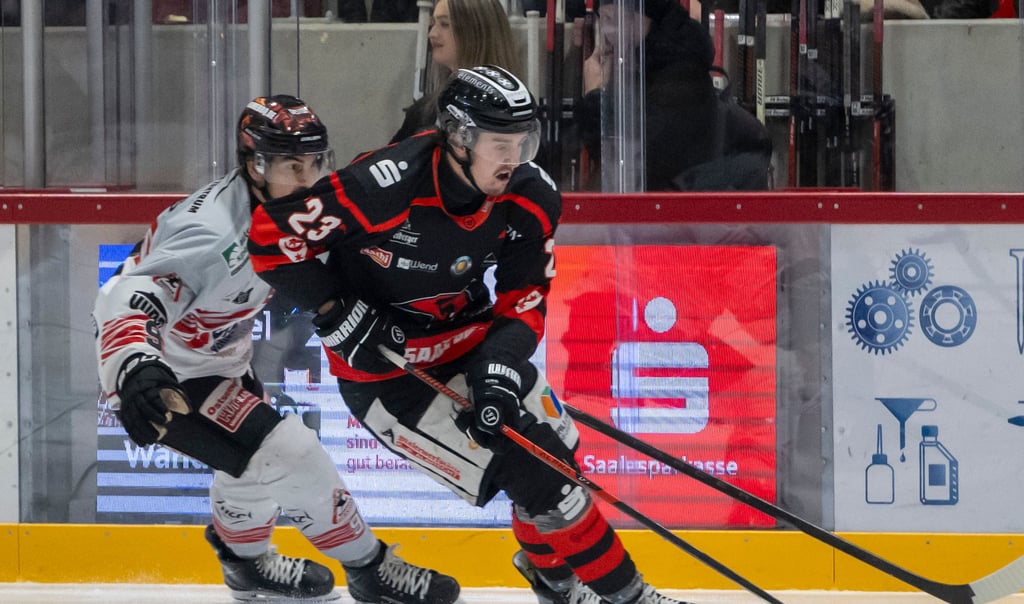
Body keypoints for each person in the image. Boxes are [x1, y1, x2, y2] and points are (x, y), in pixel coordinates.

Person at [247, 65, 693, 604]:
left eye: (523, 141)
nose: (514, 158)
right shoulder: (383, 184)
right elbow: (270, 242)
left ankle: (555, 582)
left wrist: (499, 375)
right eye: (499, 143)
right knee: (545, 477)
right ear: (458, 137)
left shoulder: (530, 194)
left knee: (561, 457)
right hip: (393, 378)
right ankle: (632, 598)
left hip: (469, 346)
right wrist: (335, 310)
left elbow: (523, 303)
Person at [92, 94, 460, 604]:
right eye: (293, 165)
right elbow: (126, 295)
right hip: (166, 378)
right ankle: (370, 568)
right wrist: (135, 369)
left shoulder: (288, 206)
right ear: (255, 166)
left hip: (220, 360)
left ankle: (245, 566)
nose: (309, 179)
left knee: (249, 466)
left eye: (316, 162)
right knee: (290, 450)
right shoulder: (214, 229)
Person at [577, 0, 772, 191]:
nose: (608, 30)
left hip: (686, 214)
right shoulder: (640, 61)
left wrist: (595, 96)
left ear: (639, 18)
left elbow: (631, 162)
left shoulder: (678, 70)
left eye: (612, 19)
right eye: (603, 20)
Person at [390, 0, 523, 143]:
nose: (432, 34)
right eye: (433, 23)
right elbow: (388, 160)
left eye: (444, 24)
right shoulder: (423, 112)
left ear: (476, 32)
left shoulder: (517, 113)